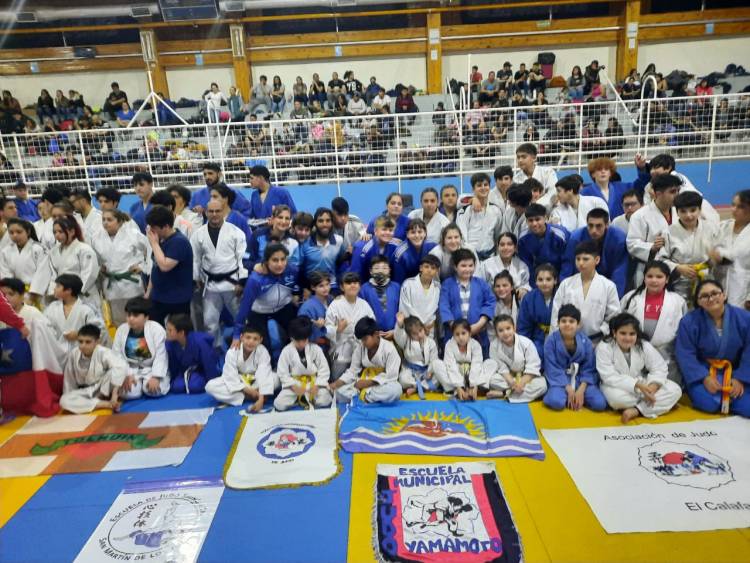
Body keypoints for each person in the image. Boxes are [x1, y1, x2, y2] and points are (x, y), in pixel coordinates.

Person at [676, 280, 750, 417]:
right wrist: (704, 377)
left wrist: (740, 378)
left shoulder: (745, 318)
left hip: (736, 372)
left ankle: (731, 398)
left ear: (724, 295)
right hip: (704, 372)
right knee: (710, 403)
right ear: (698, 301)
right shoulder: (688, 322)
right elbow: (685, 353)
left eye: (715, 293)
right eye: (704, 296)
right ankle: (727, 399)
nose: (711, 298)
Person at [597, 313, 681, 423]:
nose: (627, 338)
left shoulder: (643, 345)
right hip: (617, 386)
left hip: (643, 385)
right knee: (617, 400)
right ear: (614, 333)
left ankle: (636, 410)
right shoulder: (604, 347)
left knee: (675, 389)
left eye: (632, 334)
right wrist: (637, 385)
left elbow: (659, 367)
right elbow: (608, 376)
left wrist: (652, 388)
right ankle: (656, 405)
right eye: (623, 333)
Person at [621, 260, 687, 384]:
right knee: (636, 387)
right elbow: (619, 323)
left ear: (667, 279)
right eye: (650, 276)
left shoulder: (678, 301)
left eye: (659, 276)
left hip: (666, 355)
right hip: (636, 351)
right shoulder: (631, 298)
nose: (654, 280)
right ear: (644, 278)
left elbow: (684, 330)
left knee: (667, 389)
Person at [192, 199, 247, 347]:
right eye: (211, 211)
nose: (214, 214)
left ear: (223, 211)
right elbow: (196, 258)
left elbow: (242, 259)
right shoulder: (198, 234)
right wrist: (196, 277)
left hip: (233, 284)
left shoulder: (236, 233)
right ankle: (214, 350)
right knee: (209, 322)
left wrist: (242, 282)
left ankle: (243, 347)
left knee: (240, 318)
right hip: (210, 285)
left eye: (218, 211)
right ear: (206, 212)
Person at [233, 242, 298, 352]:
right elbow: (244, 308)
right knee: (263, 347)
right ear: (267, 261)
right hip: (259, 312)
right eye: (275, 260)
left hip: (283, 308)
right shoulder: (256, 279)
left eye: (283, 259)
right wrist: (236, 335)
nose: (280, 264)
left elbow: (299, 286)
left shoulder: (292, 270)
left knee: (296, 335)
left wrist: (297, 294)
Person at [551, 241, 620, 343]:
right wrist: (558, 340)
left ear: (597, 260)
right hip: (567, 341)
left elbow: (614, 316)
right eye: (578, 259)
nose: (581, 263)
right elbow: (556, 314)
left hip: (597, 341)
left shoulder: (608, 286)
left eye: (585, 259)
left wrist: (602, 333)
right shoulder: (566, 284)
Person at [543, 304, 607, 412]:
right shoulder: (551, 341)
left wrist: (581, 390)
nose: (567, 324)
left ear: (578, 324)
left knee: (600, 404)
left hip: (580, 380)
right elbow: (552, 368)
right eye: (563, 321)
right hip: (560, 381)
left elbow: (589, 368)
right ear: (558, 323)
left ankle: (578, 398)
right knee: (556, 402)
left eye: (571, 321)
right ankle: (567, 397)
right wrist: (569, 390)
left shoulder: (585, 341)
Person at [91, 209, 149, 326]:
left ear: (120, 221)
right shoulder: (97, 237)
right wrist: (100, 267)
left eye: (109, 220)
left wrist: (143, 266)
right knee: (118, 321)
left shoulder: (132, 234)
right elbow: (94, 258)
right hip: (112, 286)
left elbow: (149, 249)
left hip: (131, 284)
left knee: (136, 319)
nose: (105, 223)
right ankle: (122, 342)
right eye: (103, 220)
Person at [30, 215, 100, 310]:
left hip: (83, 295)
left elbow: (89, 274)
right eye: (54, 232)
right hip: (62, 295)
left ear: (72, 232)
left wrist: (75, 292)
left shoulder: (84, 249)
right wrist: (54, 292)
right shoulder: (53, 252)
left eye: (60, 232)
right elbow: (52, 274)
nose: (57, 235)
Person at [658, 190, 718, 301]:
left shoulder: (711, 228)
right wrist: (678, 267)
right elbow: (661, 259)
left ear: (700, 210)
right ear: (677, 212)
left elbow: (719, 253)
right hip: (679, 283)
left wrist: (711, 262)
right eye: (683, 211)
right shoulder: (668, 232)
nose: (688, 215)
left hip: (707, 280)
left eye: (693, 210)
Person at [329, 317, 402, 403]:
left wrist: (369, 383)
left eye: (365, 339)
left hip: (380, 384)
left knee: (396, 390)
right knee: (339, 390)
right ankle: (365, 397)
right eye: (361, 340)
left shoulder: (389, 349)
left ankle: (365, 397)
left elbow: (391, 375)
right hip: (362, 383)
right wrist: (336, 384)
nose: (363, 342)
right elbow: (352, 371)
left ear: (376, 334)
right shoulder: (360, 348)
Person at [205, 325, 278, 412]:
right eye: (248, 337)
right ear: (241, 337)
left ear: (260, 340)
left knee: (276, 378)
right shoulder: (233, 351)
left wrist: (261, 400)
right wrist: (249, 391)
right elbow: (230, 376)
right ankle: (250, 397)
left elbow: (264, 374)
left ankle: (252, 396)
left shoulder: (262, 351)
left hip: (256, 382)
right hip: (240, 383)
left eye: (255, 339)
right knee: (210, 386)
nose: (251, 341)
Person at [626, 173, 681, 286]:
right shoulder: (640, 216)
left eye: (678, 191)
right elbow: (632, 244)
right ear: (658, 193)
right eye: (672, 191)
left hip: (678, 268)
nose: (677, 195)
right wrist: (652, 247)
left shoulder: (680, 212)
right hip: (651, 271)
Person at [59, 324, 128, 414]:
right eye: (80, 341)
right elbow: (69, 378)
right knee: (64, 400)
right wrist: (71, 395)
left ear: (97, 342)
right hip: (86, 391)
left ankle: (106, 401)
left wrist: (114, 396)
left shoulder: (103, 352)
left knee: (114, 371)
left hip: (103, 388)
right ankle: (105, 404)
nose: (83, 345)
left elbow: (121, 366)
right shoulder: (74, 354)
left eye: (88, 342)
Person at [561, 208, 629, 297]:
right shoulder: (576, 238)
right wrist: (565, 292)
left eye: (598, 226)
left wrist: (614, 296)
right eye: (590, 225)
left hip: (608, 281)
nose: (594, 230)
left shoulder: (618, 239)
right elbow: (568, 266)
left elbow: (619, 271)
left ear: (607, 225)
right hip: (581, 281)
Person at [439, 249, 496, 356]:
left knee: (478, 362)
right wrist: (455, 327)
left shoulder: (481, 283)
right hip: (454, 333)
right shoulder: (447, 284)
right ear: (455, 267)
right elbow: (444, 305)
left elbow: (490, 302)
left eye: (471, 265)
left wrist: (480, 324)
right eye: (463, 266)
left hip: (477, 332)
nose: (467, 269)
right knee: (453, 363)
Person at [112, 297, 169, 400]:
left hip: (152, 369)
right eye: (129, 315)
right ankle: (138, 385)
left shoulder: (156, 329)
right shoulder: (121, 330)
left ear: (146, 317)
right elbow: (117, 356)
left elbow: (162, 355)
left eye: (135, 315)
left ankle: (147, 384)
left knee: (154, 391)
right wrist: (126, 375)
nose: (131, 319)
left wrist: (156, 377)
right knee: (129, 394)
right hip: (132, 370)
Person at [145, 206, 193, 325]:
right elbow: (155, 266)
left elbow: (165, 266)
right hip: (158, 297)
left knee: (178, 333)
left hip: (176, 299)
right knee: (155, 331)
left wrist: (154, 244)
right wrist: (148, 292)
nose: (151, 232)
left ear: (166, 226)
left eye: (154, 228)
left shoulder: (179, 242)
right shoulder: (160, 240)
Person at [482, 314, 547, 402]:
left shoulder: (526, 343)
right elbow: (501, 368)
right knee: (492, 379)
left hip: (526, 377)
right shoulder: (494, 345)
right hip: (509, 378)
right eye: (501, 330)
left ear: (514, 328)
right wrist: (511, 382)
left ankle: (504, 393)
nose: (505, 333)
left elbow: (533, 367)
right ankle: (517, 394)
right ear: (496, 333)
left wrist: (521, 383)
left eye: (508, 328)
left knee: (542, 385)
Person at [273, 317, 332, 410]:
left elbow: (323, 369)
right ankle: (301, 397)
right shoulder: (286, 351)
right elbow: (282, 373)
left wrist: (317, 385)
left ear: (308, 338)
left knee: (325, 400)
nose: (301, 344)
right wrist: (293, 387)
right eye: (297, 341)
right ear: (292, 338)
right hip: (296, 384)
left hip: (313, 382)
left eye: (304, 340)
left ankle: (304, 398)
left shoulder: (315, 349)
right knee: (279, 404)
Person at [325, 272, 375, 379]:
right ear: (342, 287)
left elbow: (373, 325)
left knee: (359, 380)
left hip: (361, 347)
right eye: (348, 283)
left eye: (356, 283)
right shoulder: (335, 305)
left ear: (359, 286)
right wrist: (338, 329)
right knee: (338, 380)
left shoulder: (364, 305)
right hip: (341, 349)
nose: (353, 285)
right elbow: (327, 329)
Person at [43, 273, 105, 355]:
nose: (54, 289)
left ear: (68, 290)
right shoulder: (52, 307)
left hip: (82, 353)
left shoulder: (86, 309)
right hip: (57, 354)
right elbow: (45, 326)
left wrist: (79, 334)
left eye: (58, 286)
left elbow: (100, 330)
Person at [710, 189, 750, 309]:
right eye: (733, 205)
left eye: (741, 207)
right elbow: (711, 252)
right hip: (718, 285)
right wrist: (713, 257)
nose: (734, 209)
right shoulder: (723, 227)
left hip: (742, 290)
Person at [165, 314, 220, 394]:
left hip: (202, 370)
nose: (167, 332)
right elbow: (174, 365)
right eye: (167, 329)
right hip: (186, 370)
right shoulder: (170, 343)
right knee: (176, 387)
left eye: (170, 330)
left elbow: (209, 364)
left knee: (195, 386)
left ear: (181, 332)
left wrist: (213, 383)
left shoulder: (200, 342)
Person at [580, 156, 649, 219]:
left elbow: (641, 184)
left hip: (620, 226)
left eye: (606, 169)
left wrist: (641, 168)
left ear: (610, 173)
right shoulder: (585, 192)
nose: (603, 171)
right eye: (599, 169)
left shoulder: (622, 187)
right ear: (593, 174)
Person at [518, 203, 569, 286]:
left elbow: (568, 260)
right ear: (526, 221)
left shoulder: (560, 235)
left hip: (560, 274)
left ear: (545, 218)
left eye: (538, 219)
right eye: (530, 220)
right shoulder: (523, 239)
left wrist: (562, 282)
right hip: (538, 277)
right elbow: (527, 265)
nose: (534, 224)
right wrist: (535, 284)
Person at [456, 172, 504, 260]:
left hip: (490, 256)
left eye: (486, 185)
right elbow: (462, 236)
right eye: (479, 185)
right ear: (473, 189)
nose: (483, 188)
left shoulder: (496, 210)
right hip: (469, 256)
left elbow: (498, 235)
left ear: (489, 187)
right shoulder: (465, 210)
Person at [299, 207, 346, 293]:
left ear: (332, 223)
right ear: (315, 223)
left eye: (328, 220)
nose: (325, 224)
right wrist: (304, 288)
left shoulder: (339, 241)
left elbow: (341, 262)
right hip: (311, 288)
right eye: (321, 221)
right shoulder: (305, 243)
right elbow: (300, 269)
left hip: (332, 286)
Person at [433, 319, 482, 401]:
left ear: (469, 333)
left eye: (463, 333)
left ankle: (473, 390)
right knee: (436, 364)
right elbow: (450, 366)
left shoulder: (475, 344)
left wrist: (473, 384)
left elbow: (477, 364)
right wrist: (458, 386)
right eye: (457, 334)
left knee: (490, 363)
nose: (460, 337)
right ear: (453, 335)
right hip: (454, 378)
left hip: (471, 376)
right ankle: (457, 391)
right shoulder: (449, 345)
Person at [517, 263, 557, 362]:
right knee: (535, 353)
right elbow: (523, 327)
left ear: (555, 280)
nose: (544, 283)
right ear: (535, 282)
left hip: (558, 337)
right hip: (537, 338)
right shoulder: (529, 298)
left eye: (548, 279)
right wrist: (524, 347)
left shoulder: (562, 295)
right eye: (540, 280)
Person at [395, 314, 440, 397]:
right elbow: (398, 336)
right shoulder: (406, 341)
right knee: (403, 378)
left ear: (423, 328)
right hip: (410, 371)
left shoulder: (431, 342)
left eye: (420, 330)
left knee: (438, 377)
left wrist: (430, 372)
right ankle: (420, 386)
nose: (419, 335)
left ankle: (415, 388)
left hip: (426, 372)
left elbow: (434, 360)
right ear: (409, 335)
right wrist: (400, 325)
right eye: (415, 334)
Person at [359, 256, 400, 338]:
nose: (381, 271)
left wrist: (396, 331)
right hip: (372, 335)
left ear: (389, 270)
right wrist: (372, 331)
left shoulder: (396, 287)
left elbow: (402, 310)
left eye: (384, 268)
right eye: (377, 268)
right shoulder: (364, 289)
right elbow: (362, 313)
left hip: (395, 333)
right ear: (371, 271)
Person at [399, 254, 440, 334]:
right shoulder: (408, 284)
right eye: (426, 267)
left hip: (429, 329)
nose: (429, 270)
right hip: (412, 328)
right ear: (421, 268)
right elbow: (405, 308)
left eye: (433, 268)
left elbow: (435, 311)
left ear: (437, 271)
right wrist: (421, 325)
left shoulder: (438, 287)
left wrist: (428, 326)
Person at [247, 204, 299, 268]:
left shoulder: (293, 240)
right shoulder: (257, 235)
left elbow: (295, 266)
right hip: (261, 275)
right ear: (272, 219)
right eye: (280, 217)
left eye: (287, 218)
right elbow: (246, 260)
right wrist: (255, 266)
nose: (283, 221)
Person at [482, 232, 530, 300]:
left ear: (515, 247)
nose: (506, 247)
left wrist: (523, 290)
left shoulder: (522, 266)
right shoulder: (486, 264)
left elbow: (525, 285)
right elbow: (480, 286)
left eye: (509, 244)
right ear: (498, 247)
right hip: (492, 302)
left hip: (515, 304)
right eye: (502, 245)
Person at [350, 216, 399, 282]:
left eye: (390, 230)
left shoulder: (395, 247)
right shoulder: (361, 248)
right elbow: (355, 275)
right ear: (375, 231)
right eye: (384, 229)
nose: (387, 233)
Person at [0, 218, 45, 289]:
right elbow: (5, 273)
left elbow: (43, 273)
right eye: (11, 233)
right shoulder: (5, 251)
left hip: (35, 290)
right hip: (14, 291)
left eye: (19, 232)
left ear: (28, 232)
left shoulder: (38, 249)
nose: (15, 235)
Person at [512, 143, 557, 209]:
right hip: (526, 214)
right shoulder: (516, 179)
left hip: (548, 211)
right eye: (518, 157)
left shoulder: (547, 172)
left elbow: (553, 192)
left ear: (534, 158)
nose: (520, 160)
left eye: (524, 157)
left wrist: (536, 204)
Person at [392, 219, 436, 284]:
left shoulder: (432, 247)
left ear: (425, 233)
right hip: (405, 286)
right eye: (413, 232)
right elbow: (398, 283)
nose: (417, 235)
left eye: (420, 232)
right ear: (407, 234)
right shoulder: (400, 254)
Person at [297, 271, 332, 351]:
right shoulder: (307, 308)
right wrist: (317, 326)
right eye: (321, 286)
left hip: (332, 343)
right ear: (313, 287)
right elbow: (302, 331)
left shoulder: (331, 299)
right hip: (314, 347)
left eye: (327, 284)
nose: (326, 288)